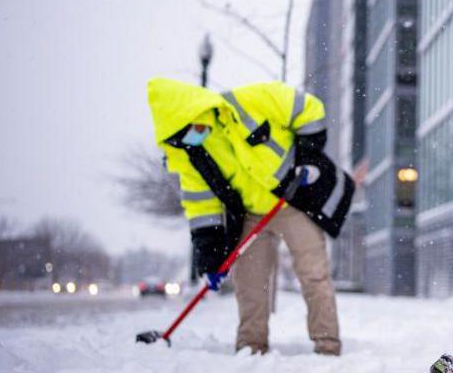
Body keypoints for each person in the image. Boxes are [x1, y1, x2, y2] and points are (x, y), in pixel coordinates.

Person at [147, 78, 351, 356]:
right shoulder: (194, 155)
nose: (190, 139)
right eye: (182, 138)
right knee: (250, 284)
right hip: (251, 216)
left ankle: (328, 345)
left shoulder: (253, 100)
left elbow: (310, 109)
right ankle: (251, 348)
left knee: (314, 274)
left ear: (200, 110)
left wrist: (307, 159)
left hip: (292, 203)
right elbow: (201, 206)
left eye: (190, 130)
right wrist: (210, 257)